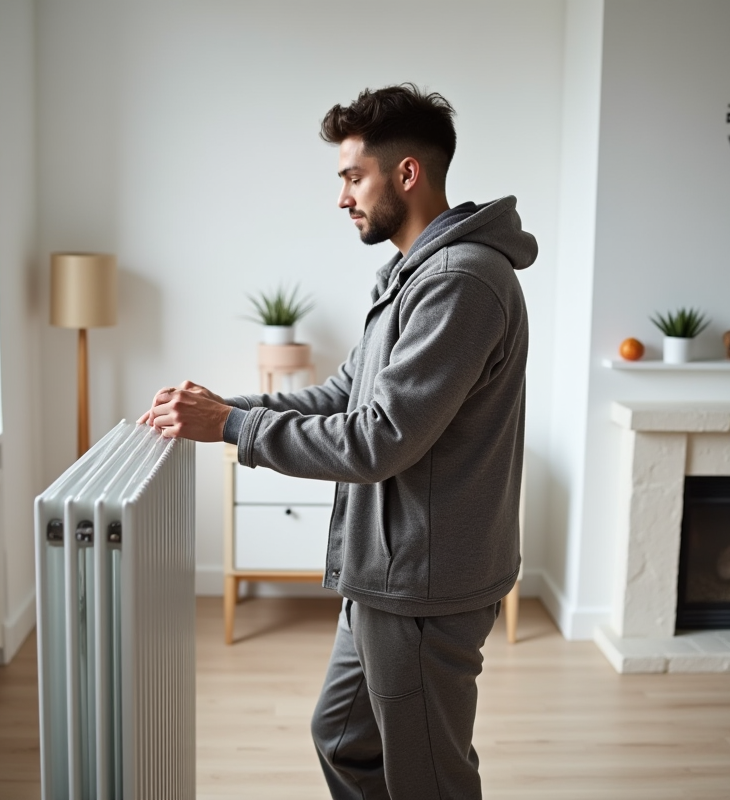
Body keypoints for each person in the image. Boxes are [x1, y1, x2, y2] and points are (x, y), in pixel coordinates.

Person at [141, 83, 537, 799]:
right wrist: (222, 407)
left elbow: (378, 439)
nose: (342, 197)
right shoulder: (413, 277)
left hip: (423, 585)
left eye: (354, 176)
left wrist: (229, 427)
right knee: (344, 739)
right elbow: (343, 396)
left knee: (428, 779)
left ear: (406, 173)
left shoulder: (460, 282)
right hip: (387, 573)